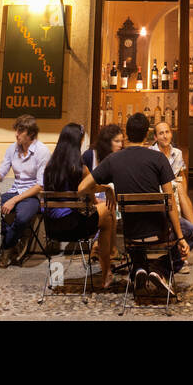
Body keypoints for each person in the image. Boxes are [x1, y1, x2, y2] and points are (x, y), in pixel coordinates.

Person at [78, 113, 193, 299]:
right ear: (148, 135)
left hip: (131, 233)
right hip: (159, 231)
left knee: (137, 225)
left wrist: (106, 189)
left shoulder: (113, 159)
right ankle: (160, 269)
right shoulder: (158, 159)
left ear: (126, 133)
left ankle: (140, 268)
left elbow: (82, 188)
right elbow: (170, 201)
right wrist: (180, 238)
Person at [43, 122, 114, 289]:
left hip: (52, 228)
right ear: (78, 142)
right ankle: (106, 273)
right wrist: (106, 190)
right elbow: (93, 200)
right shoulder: (81, 169)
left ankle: (58, 275)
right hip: (75, 226)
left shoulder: (49, 168)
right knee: (109, 213)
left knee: (104, 211)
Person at [0, 114, 50, 266]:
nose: (16, 134)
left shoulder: (42, 152)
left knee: (21, 218)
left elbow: (40, 186)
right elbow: (1, 172)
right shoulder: (12, 149)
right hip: (15, 190)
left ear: (31, 134)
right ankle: (13, 236)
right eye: (17, 130)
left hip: (32, 195)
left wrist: (14, 200)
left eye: (20, 131)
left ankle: (7, 249)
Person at [149, 120, 193, 248]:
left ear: (171, 134)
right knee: (178, 186)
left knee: (180, 185)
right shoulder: (150, 153)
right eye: (161, 133)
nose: (165, 136)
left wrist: (184, 197)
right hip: (157, 192)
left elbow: (182, 175)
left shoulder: (177, 153)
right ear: (155, 137)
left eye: (167, 132)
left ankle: (191, 234)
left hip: (174, 192)